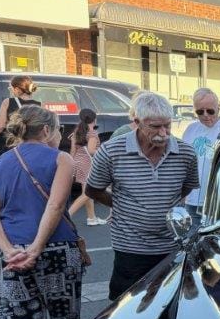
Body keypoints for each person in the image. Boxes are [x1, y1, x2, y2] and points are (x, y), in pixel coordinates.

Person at [0, 104, 91, 319]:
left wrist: (9, 250)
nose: (59, 136)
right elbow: (55, 206)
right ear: (46, 130)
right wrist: (37, 246)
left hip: (12, 255)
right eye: (57, 130)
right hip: (56, 250)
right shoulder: (60, 159)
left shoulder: (1, 162)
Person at [85, 91, 199, 300]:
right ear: (136, 122)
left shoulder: (185, 153)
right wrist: (120, 205)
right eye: (155, 127)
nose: (163, 133)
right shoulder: (111, 151)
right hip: (130, 248)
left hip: (170, 247)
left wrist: (162, 205)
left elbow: (187, 187)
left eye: (167, 125)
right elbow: (93, 190)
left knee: (168, 304)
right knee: (126, 308)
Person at [182, 88, 220, 220]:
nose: (206, 115)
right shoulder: (191, 130)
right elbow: (183, 162)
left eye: (210, 111)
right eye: (200, 112)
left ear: (218, 108)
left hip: (218, 201)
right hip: (192, 200)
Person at [0, 75, 41, 175]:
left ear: (17, 89)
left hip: (11, 145)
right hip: (29, 145)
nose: (11, 91)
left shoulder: (8, 102)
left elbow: (0, 125)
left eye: (11, 88)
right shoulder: (39, 104)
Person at [67, 108, 106, 225]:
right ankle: (67, 215)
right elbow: (91, 151)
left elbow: (73, 150)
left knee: (87, 191)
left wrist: (70, 162)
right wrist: (104, 150)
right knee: (88, 193)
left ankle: (91, 218)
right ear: (94, 119)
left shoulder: (77, 131)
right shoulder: (92, 133)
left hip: (78, 162)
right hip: (87, 164)